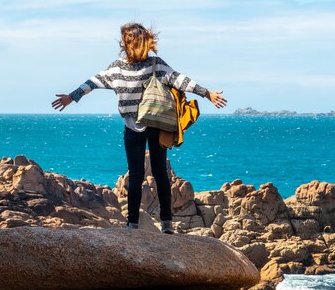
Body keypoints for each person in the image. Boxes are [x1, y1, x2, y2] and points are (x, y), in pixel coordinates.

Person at [51, 23, 227, 234]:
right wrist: (73, 96)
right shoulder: (141, 65)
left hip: (143, 126)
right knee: (151, 174)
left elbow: (180, 80)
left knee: (145, 175)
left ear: (127, 43)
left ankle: (145, 224)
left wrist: (206, 93)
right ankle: (154, 224)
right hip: (148, 125)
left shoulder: (133, 66)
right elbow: (95, 81)